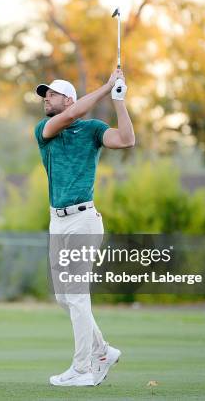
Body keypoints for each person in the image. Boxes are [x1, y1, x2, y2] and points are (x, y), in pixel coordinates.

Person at [34, 69, 135, 386]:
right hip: (57, 221)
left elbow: (126, 139)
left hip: (83, 219)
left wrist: (118, 100)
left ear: (68, 98)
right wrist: (106, 87)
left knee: (76, 296)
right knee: (64, 297)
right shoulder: (45, 130)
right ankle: (103, 351)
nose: (46, 99)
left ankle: (82, 369)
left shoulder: (92, 130)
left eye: (52, 94)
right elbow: (75, 113)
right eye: (45, 95)